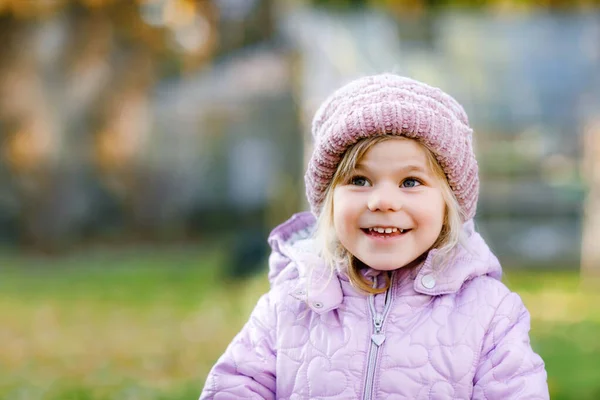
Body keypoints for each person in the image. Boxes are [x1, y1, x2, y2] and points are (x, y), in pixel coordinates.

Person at [199, 74, 549, 399]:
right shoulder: (291, 302)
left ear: (449, 204)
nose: (382, 201)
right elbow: (234, 387)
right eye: (359, 180)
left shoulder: (489, 313)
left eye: (410, 182)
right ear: (329, 201)